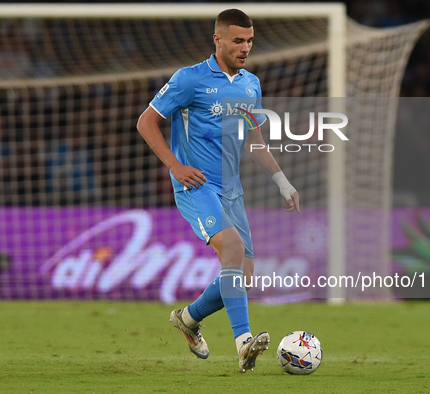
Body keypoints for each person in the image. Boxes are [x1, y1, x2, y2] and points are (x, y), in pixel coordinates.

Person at [137, 9, 300, 372]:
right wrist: (174, 167)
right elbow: (146, 121)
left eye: (250, 41)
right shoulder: (189, 79)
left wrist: (282, 181)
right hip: (195, 185)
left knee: (244, 274)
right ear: (218, 39)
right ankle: (244, 344)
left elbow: (254, 138)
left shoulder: (250, 84)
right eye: (238, 40)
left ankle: (188, 319)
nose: (245, 48)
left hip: (232, 189)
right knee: (234, 248)